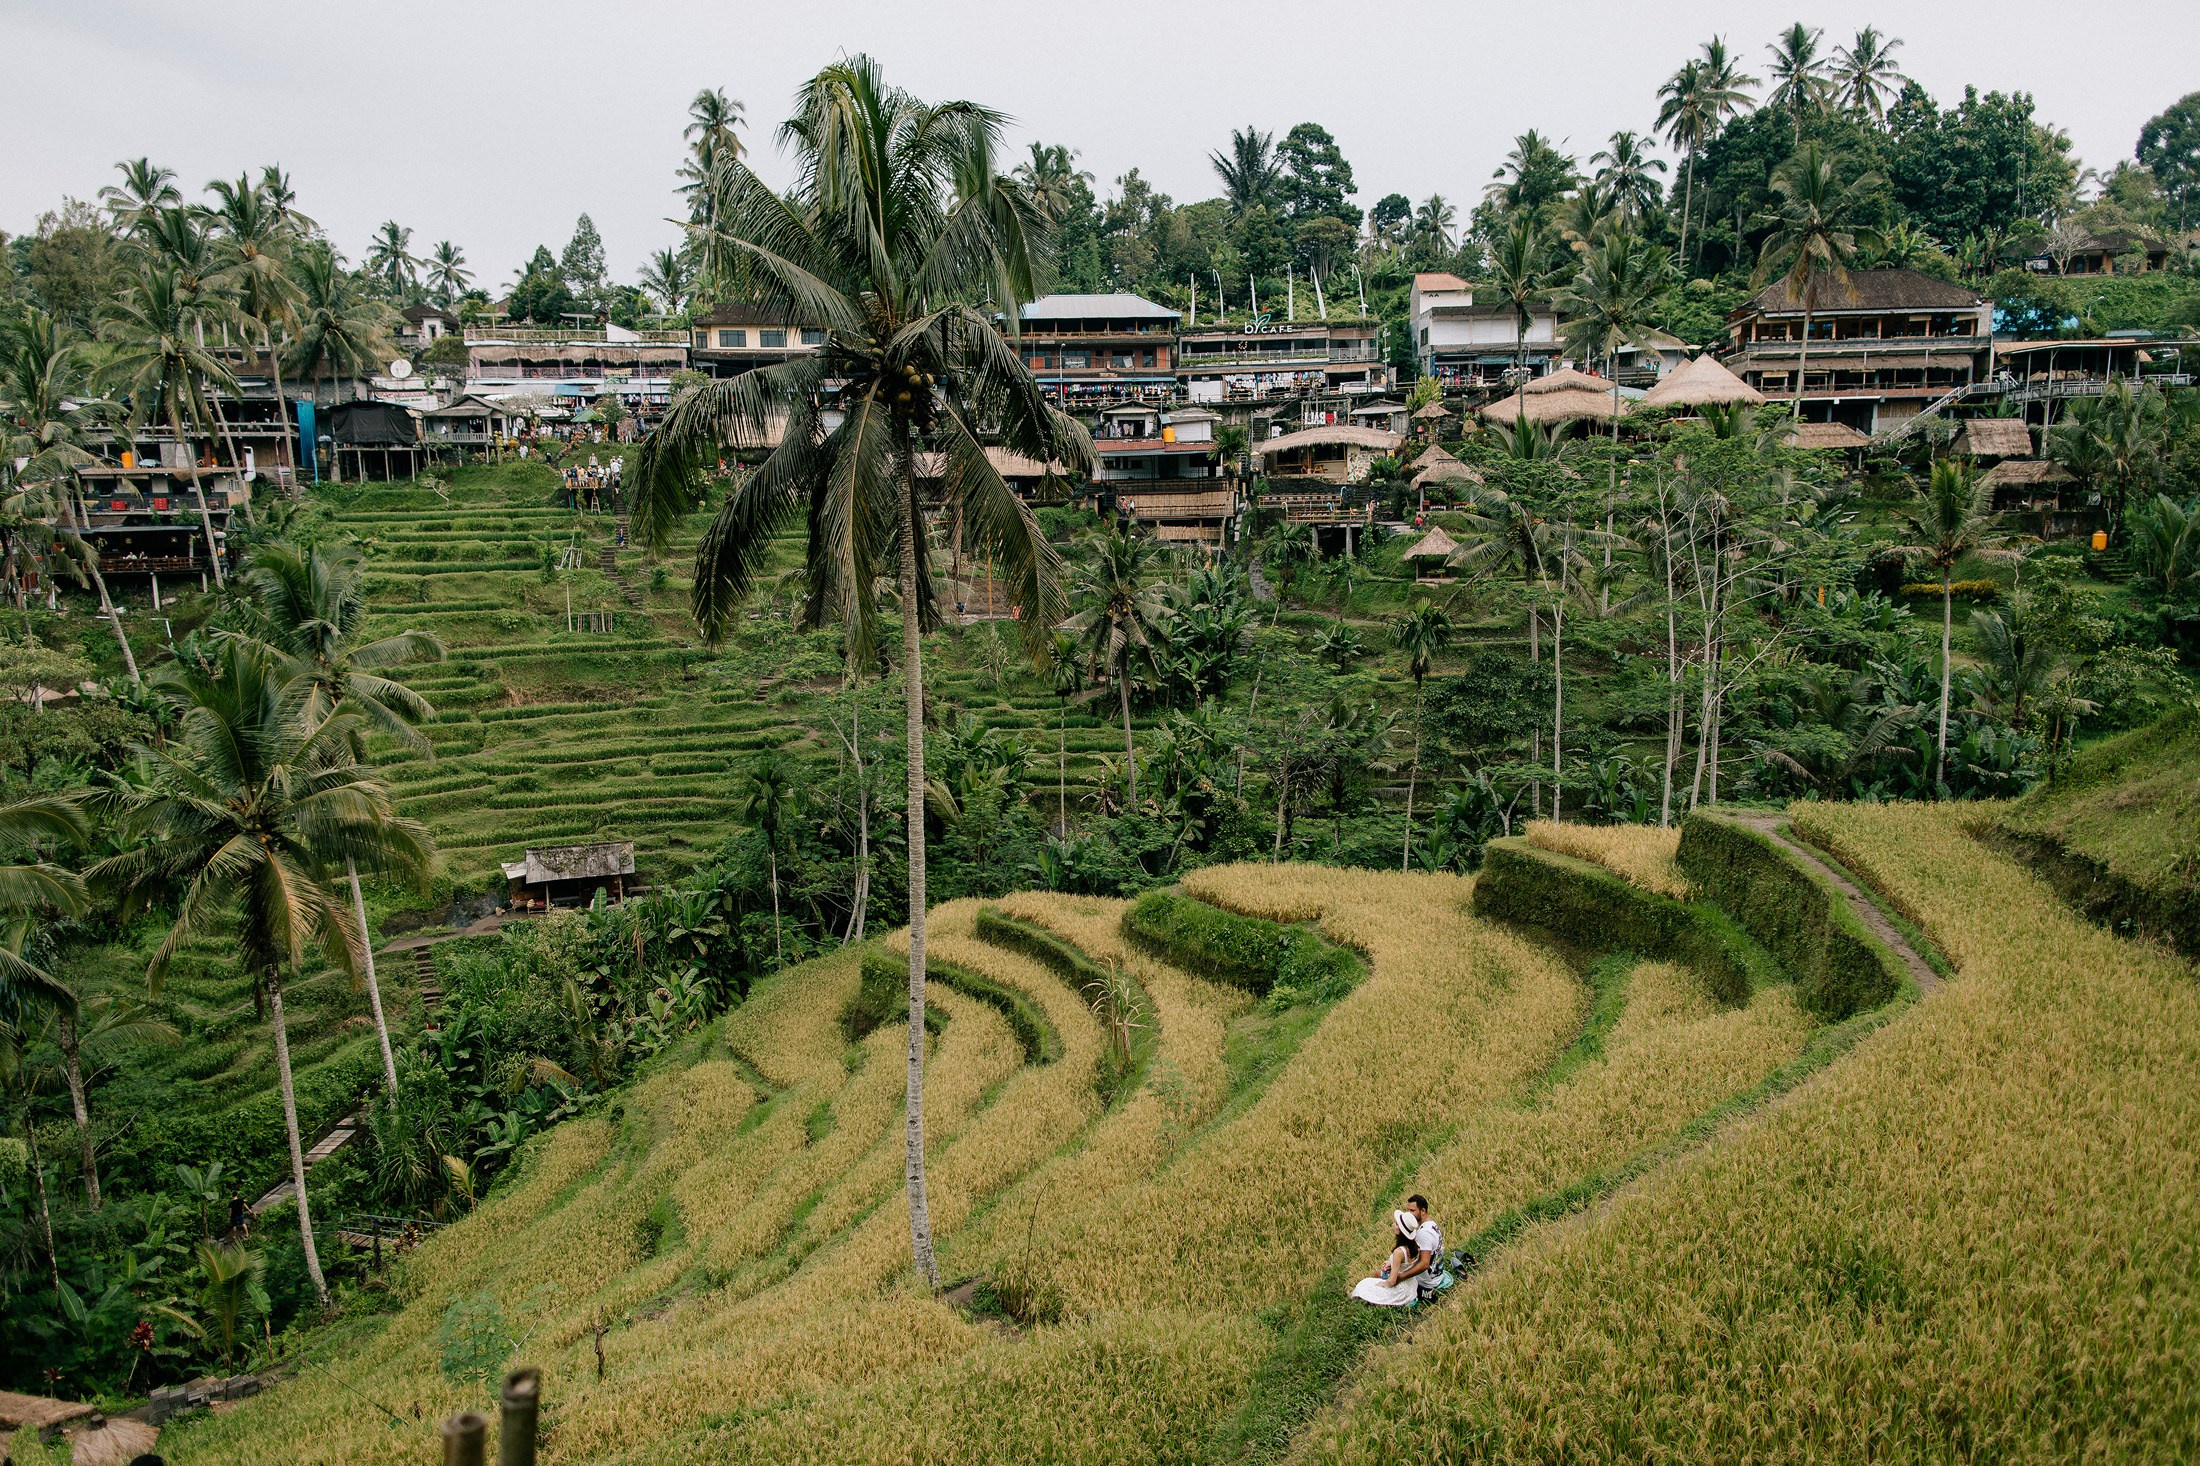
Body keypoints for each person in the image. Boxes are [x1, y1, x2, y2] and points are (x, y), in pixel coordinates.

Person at [1348, 1196, 1441, 1307]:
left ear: (1423, 1211)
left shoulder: (1422, 1236)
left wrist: (1396, 1278)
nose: (1409, 1214)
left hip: (1418, 1282)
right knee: (1377, 1276)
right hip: (1413, 1284)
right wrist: (1391, 1263)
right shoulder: (1427, 1230)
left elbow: (1424, 1264)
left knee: (1366, 1283)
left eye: (1412, 1210)